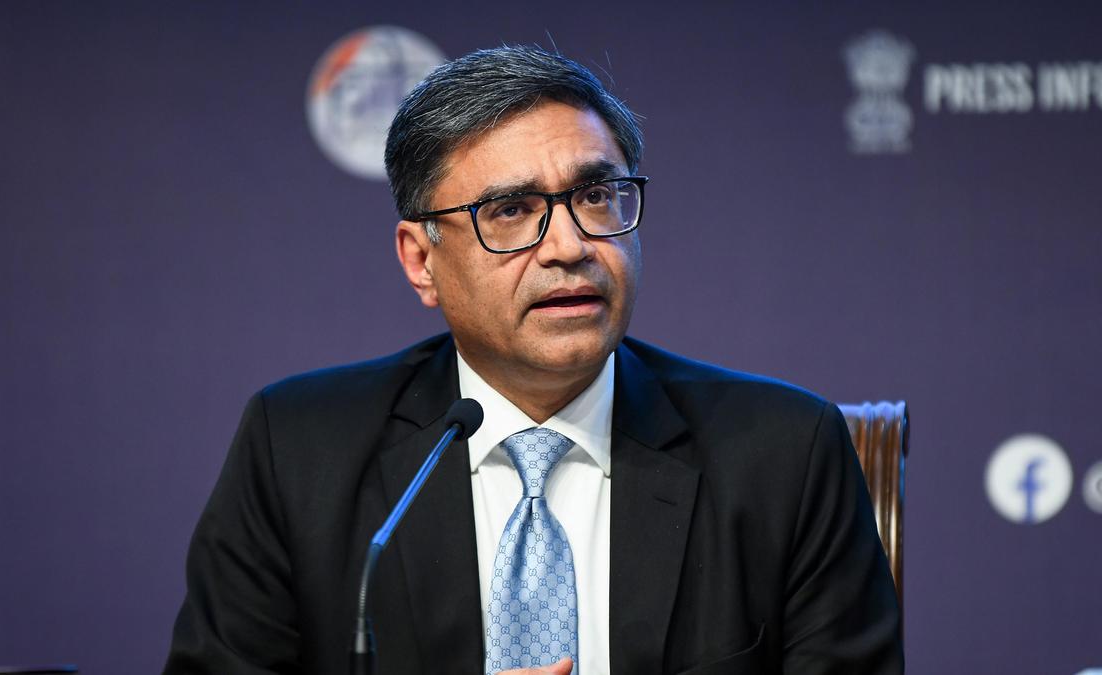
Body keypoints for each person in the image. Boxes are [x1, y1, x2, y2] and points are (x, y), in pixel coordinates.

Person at [163, 45, 903, 675]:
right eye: (511, 211)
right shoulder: (299, 453)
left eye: (596, 195)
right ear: (421, 260)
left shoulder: (782, 454)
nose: (569, 246)